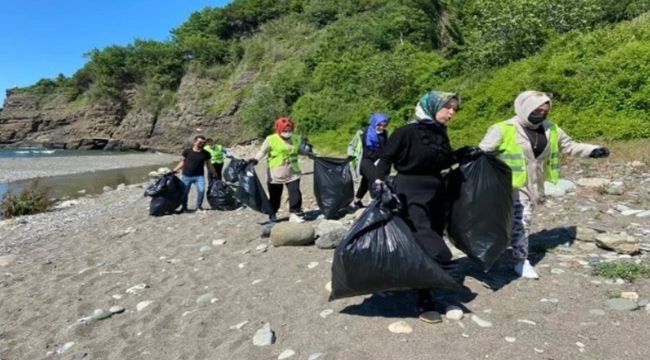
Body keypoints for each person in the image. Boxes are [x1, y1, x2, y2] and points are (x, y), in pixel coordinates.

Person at [479, 90, 609, 279]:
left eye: (545, 110)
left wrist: (592, 150)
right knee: (512, 221)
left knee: (522, 220)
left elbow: (569, 146)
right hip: (505, 185)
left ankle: (519, 260)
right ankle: (504, 255)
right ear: (524, 107)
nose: (542, 113)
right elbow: (482, 152)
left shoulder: (551, 128)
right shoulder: (503, 128)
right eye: (537, 109)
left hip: (532, 185)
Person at [375, 91, 462, 322]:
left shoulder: (440, 133)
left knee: (432, 234)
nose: (452, 112)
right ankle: (426, 295)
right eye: (448, 107)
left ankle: (426, 286)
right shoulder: (406, 131)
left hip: (436, 191)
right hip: (409, 190)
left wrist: (462, 155)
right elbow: (385, 159)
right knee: (425, 238)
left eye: (455, 109)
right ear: (432, 107)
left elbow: (442, 161)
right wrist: (379, 181)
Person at [251, 117, 306, 223]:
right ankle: (273, 214)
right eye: (285, 131)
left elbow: (299, 150)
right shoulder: (271, 139)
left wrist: (310, 154)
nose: (287, 133)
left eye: (289, 131)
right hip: (276, 172)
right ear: (279, 130)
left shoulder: (295, 138)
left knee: (295, 192)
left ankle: (294, 213)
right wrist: (255, 160)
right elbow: (262, 152)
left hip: (293, 170)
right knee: (275, 195)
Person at [347, 113, 390, 208]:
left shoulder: (385, 134)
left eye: (384, 125)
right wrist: (351, 158)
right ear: (374, 123)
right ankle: (377, 203)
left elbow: (386, 148)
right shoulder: (363, 133)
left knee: (366, 181)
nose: (382, 127)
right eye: (380, 125)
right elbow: (352, 146)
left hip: (378, 161)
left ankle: (357, 200)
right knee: (375, 179)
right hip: (364, 160)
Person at [173, 135, 219, 212]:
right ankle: (184, 208)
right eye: (200, 142)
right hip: (186, 176)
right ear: (195, 142)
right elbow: (182, 162)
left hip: (199, 176)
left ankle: (199, 207)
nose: (201, 144)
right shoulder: (187, 151)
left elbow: (209, 165)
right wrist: (174, 170)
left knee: (201, 191)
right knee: (184, 193)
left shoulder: (206, 153)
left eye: (203, 143)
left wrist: (214, 173)